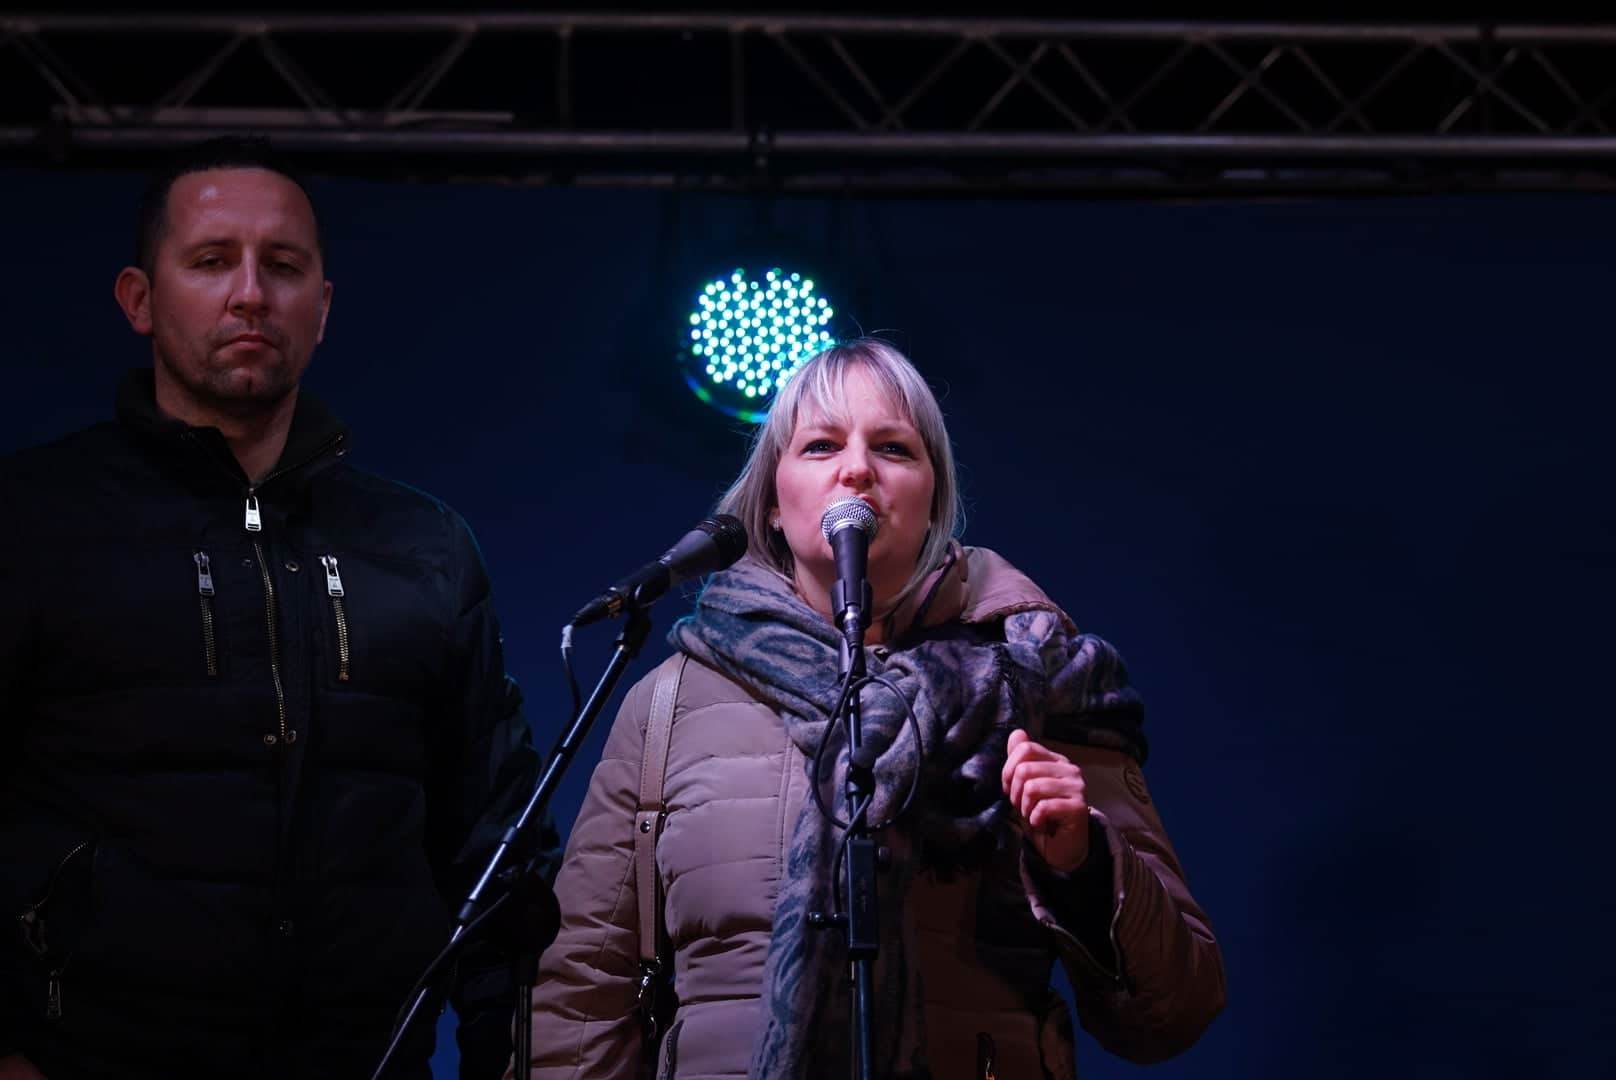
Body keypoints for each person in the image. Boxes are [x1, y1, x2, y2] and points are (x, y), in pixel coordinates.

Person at [0, 137, 556, 1079]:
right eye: (213, 260)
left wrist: (508, 1055)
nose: (251, 292)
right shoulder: (32, 521)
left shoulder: (423, 545)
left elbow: (494, 838)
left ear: (324, 307)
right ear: (140, 298)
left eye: (284, 266)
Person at [522, 339, 1225, 1078]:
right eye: (822, 445)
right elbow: (579, 1004)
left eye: (893, 448)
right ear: (771, 499)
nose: (857, 470)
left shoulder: (1039, 686)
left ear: (932, 504)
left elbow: (1175, 1008)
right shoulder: (668, 704)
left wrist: (1082, 865)